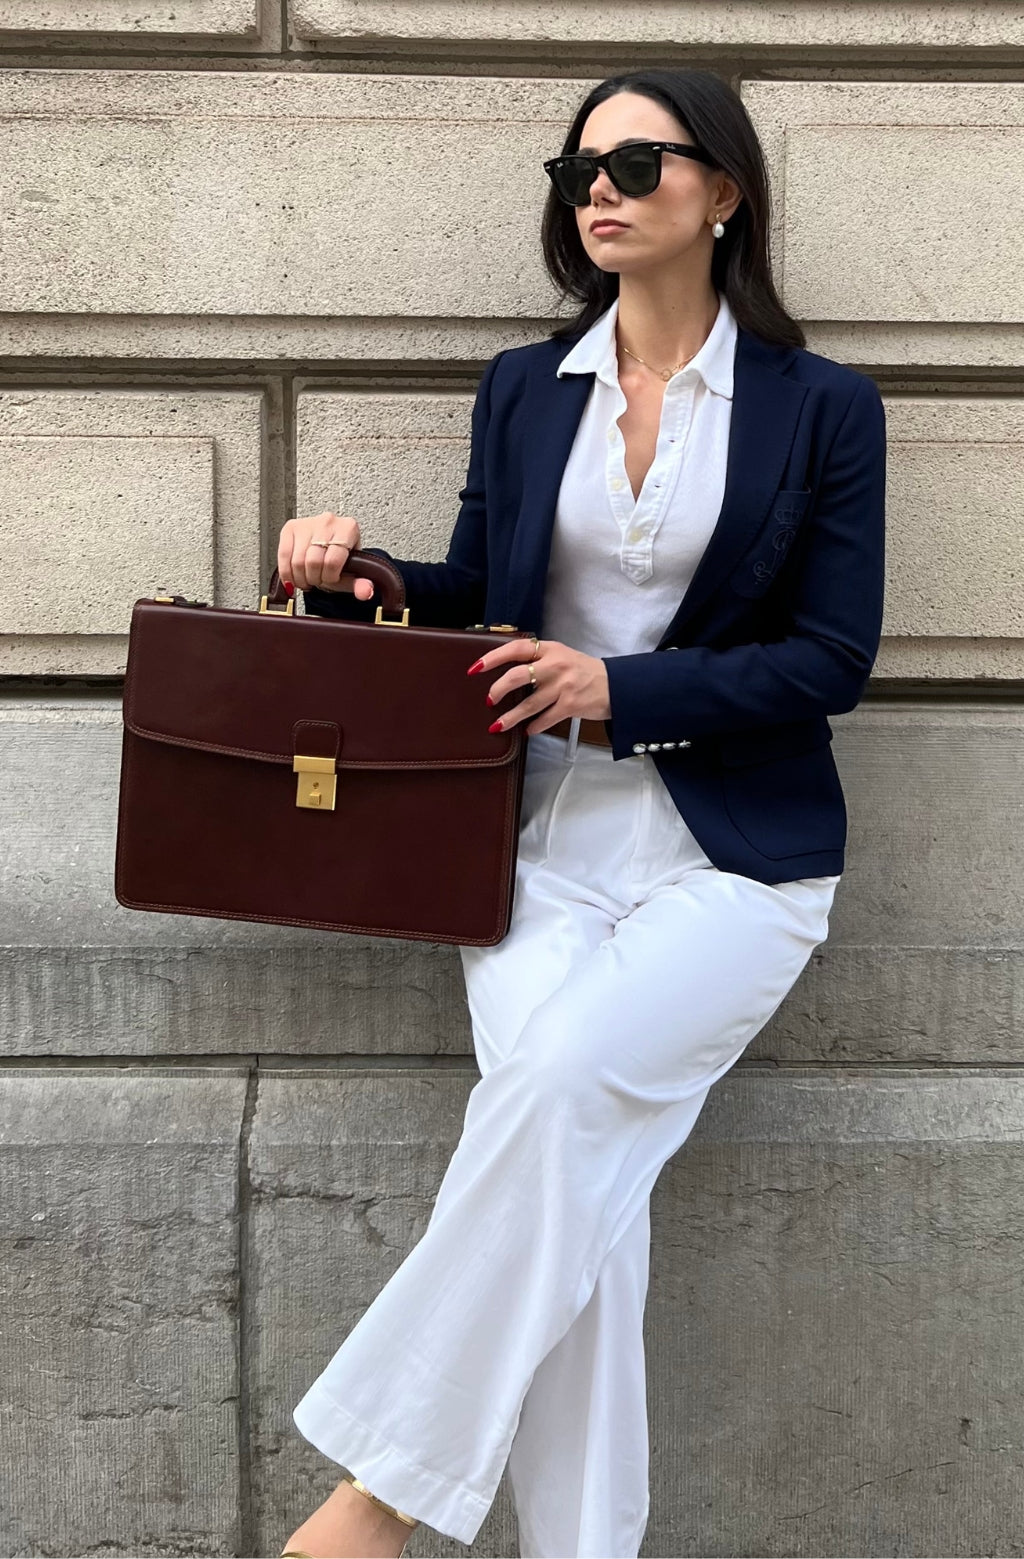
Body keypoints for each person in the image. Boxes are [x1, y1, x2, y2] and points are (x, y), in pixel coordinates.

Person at [277, 65, 886, 1559]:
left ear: (723, 190)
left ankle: (372, 1505)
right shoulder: (524, 386)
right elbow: (481, 592)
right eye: (577, 170)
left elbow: (831, 658)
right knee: (580, 1219)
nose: (598, 189)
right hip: (530, 854)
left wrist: (620, 689)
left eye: (635, 162)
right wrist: (363, 582)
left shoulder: (821, 408)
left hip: (734, 862)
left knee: (552, 1109)